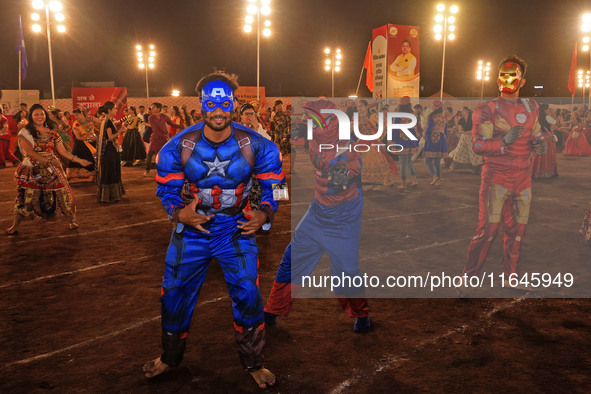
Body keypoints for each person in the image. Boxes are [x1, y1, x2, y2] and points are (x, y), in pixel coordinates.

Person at [143, 72, 283, 389]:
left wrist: (265, 212)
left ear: (233, 103)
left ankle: (254, 362)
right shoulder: (177, 146)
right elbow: (164, 190)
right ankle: (169, 357)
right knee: (173, 293)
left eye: (224, 102)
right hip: (192, 230)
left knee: (248, 292)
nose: (218, 110)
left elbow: (279, 187)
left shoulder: (259, 145)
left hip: (236, 227)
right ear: (201, 105)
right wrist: (178, 213)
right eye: (211, 103)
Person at [264, 98, 370, 334]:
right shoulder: (314, 135)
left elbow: (349, 172)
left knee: (346, 270)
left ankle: (361, 314)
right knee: (292, 258)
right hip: (318, 209)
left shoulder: (347, 146)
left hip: (344, 215)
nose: (307, 121)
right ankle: (273, 309)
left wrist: (342, 172)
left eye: (313, 118)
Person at [462, 56, 546, 282]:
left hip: (523, 180)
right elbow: (478, 145)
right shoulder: (488, 109)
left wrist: (540, 144)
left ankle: (512, 277)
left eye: (512, 75)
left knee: (516, 234)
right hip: (497, 179)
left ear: (522, 80)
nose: (506, 79)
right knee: (487, 232)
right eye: (502, 75)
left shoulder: (532, 106)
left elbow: (536, 135)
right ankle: (468, 278)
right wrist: (503, 142)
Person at [6, 104, 92, 235]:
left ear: (45, 116)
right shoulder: (26, 132)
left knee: (63, 194)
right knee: (25, 197)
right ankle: (15, 225)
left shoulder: (53, 133)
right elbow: (29, 152)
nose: (40, 117)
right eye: (36, 114)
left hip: (52, 169)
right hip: (32, 169)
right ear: (31, 116)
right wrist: (48, 160)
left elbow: (62, 151)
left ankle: (71, 219)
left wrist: (78, 160)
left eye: (42, 114)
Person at [96, 102, 125, 203]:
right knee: (111, 171)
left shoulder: (107, 121)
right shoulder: (107, 122)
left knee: (110, 171)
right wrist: (120, 130)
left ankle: (109, 195)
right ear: (109, 110)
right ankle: (111, 196)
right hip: (110, 150)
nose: (116, 110)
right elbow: (110, 137)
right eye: (114, 109)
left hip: (111, 149)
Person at [144, 102, 182, 176]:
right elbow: (155, 130)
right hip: (155, 138)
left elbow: (173, 124)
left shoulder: (164, 116)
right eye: (151, 107)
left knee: (166, 154)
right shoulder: (151, 118)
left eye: (154, 107)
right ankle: (147, 170)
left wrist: (182, 126)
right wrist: (166, 137)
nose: (152, 108)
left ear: (158, 109)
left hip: (164, 138)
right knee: (150, 154)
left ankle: (168, 169)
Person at [391, 98, 418, 189]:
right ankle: (414, 180)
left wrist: (391, 140)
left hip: (401, 141)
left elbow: (395, 129)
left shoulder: (398, 116)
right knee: (409, 161)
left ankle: (403, 183)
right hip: (411, 141)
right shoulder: (412, 115)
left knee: (403, 162)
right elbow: (414, 130)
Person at [448, 107, 483, 173]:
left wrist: (467, 132)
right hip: (464, 137)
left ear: (467, 111)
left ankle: (477, 169)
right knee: (459, 151)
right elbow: (460, 130)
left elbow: (475, 130)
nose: (462, 112)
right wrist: (468, 132)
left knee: (474, 152)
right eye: (461, 110)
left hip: (473, 137)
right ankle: (454, 167)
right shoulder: (461, 120)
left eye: (463, 110)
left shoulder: (472, 118)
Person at [67, 108, 96, 183]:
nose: (76, 117)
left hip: (92, 142)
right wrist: (89, 137)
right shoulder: (76, 124)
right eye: (74, 115)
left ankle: (91, 175)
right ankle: (78, 177)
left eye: (77, 115)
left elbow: (100, 124)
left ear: (82, 113)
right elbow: (78, 137)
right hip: (81, 144)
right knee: (80, 158)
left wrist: (96, 134)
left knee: (92, 158)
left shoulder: (90, 119)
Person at [531, 103, 558, 178]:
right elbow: (556, 123)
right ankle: (546, 172)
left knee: (539, 155)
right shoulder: (547, 117)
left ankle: (537, 172)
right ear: (545, 110)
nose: (549, 110)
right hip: (548, 138)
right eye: (548, 109)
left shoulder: (537, 117)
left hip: (539, 137)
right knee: (547, 155)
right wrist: (553, 114)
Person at [423, 107, 448, 186]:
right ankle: (438, 180)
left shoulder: (432, 117)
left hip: (432, 138)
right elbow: (445, 130)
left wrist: (425, 134)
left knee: (427, 160)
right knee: (437, 161)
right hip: (441, 138)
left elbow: (429, 128)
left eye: (433, 105)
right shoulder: (443, 118)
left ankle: (434, 176)